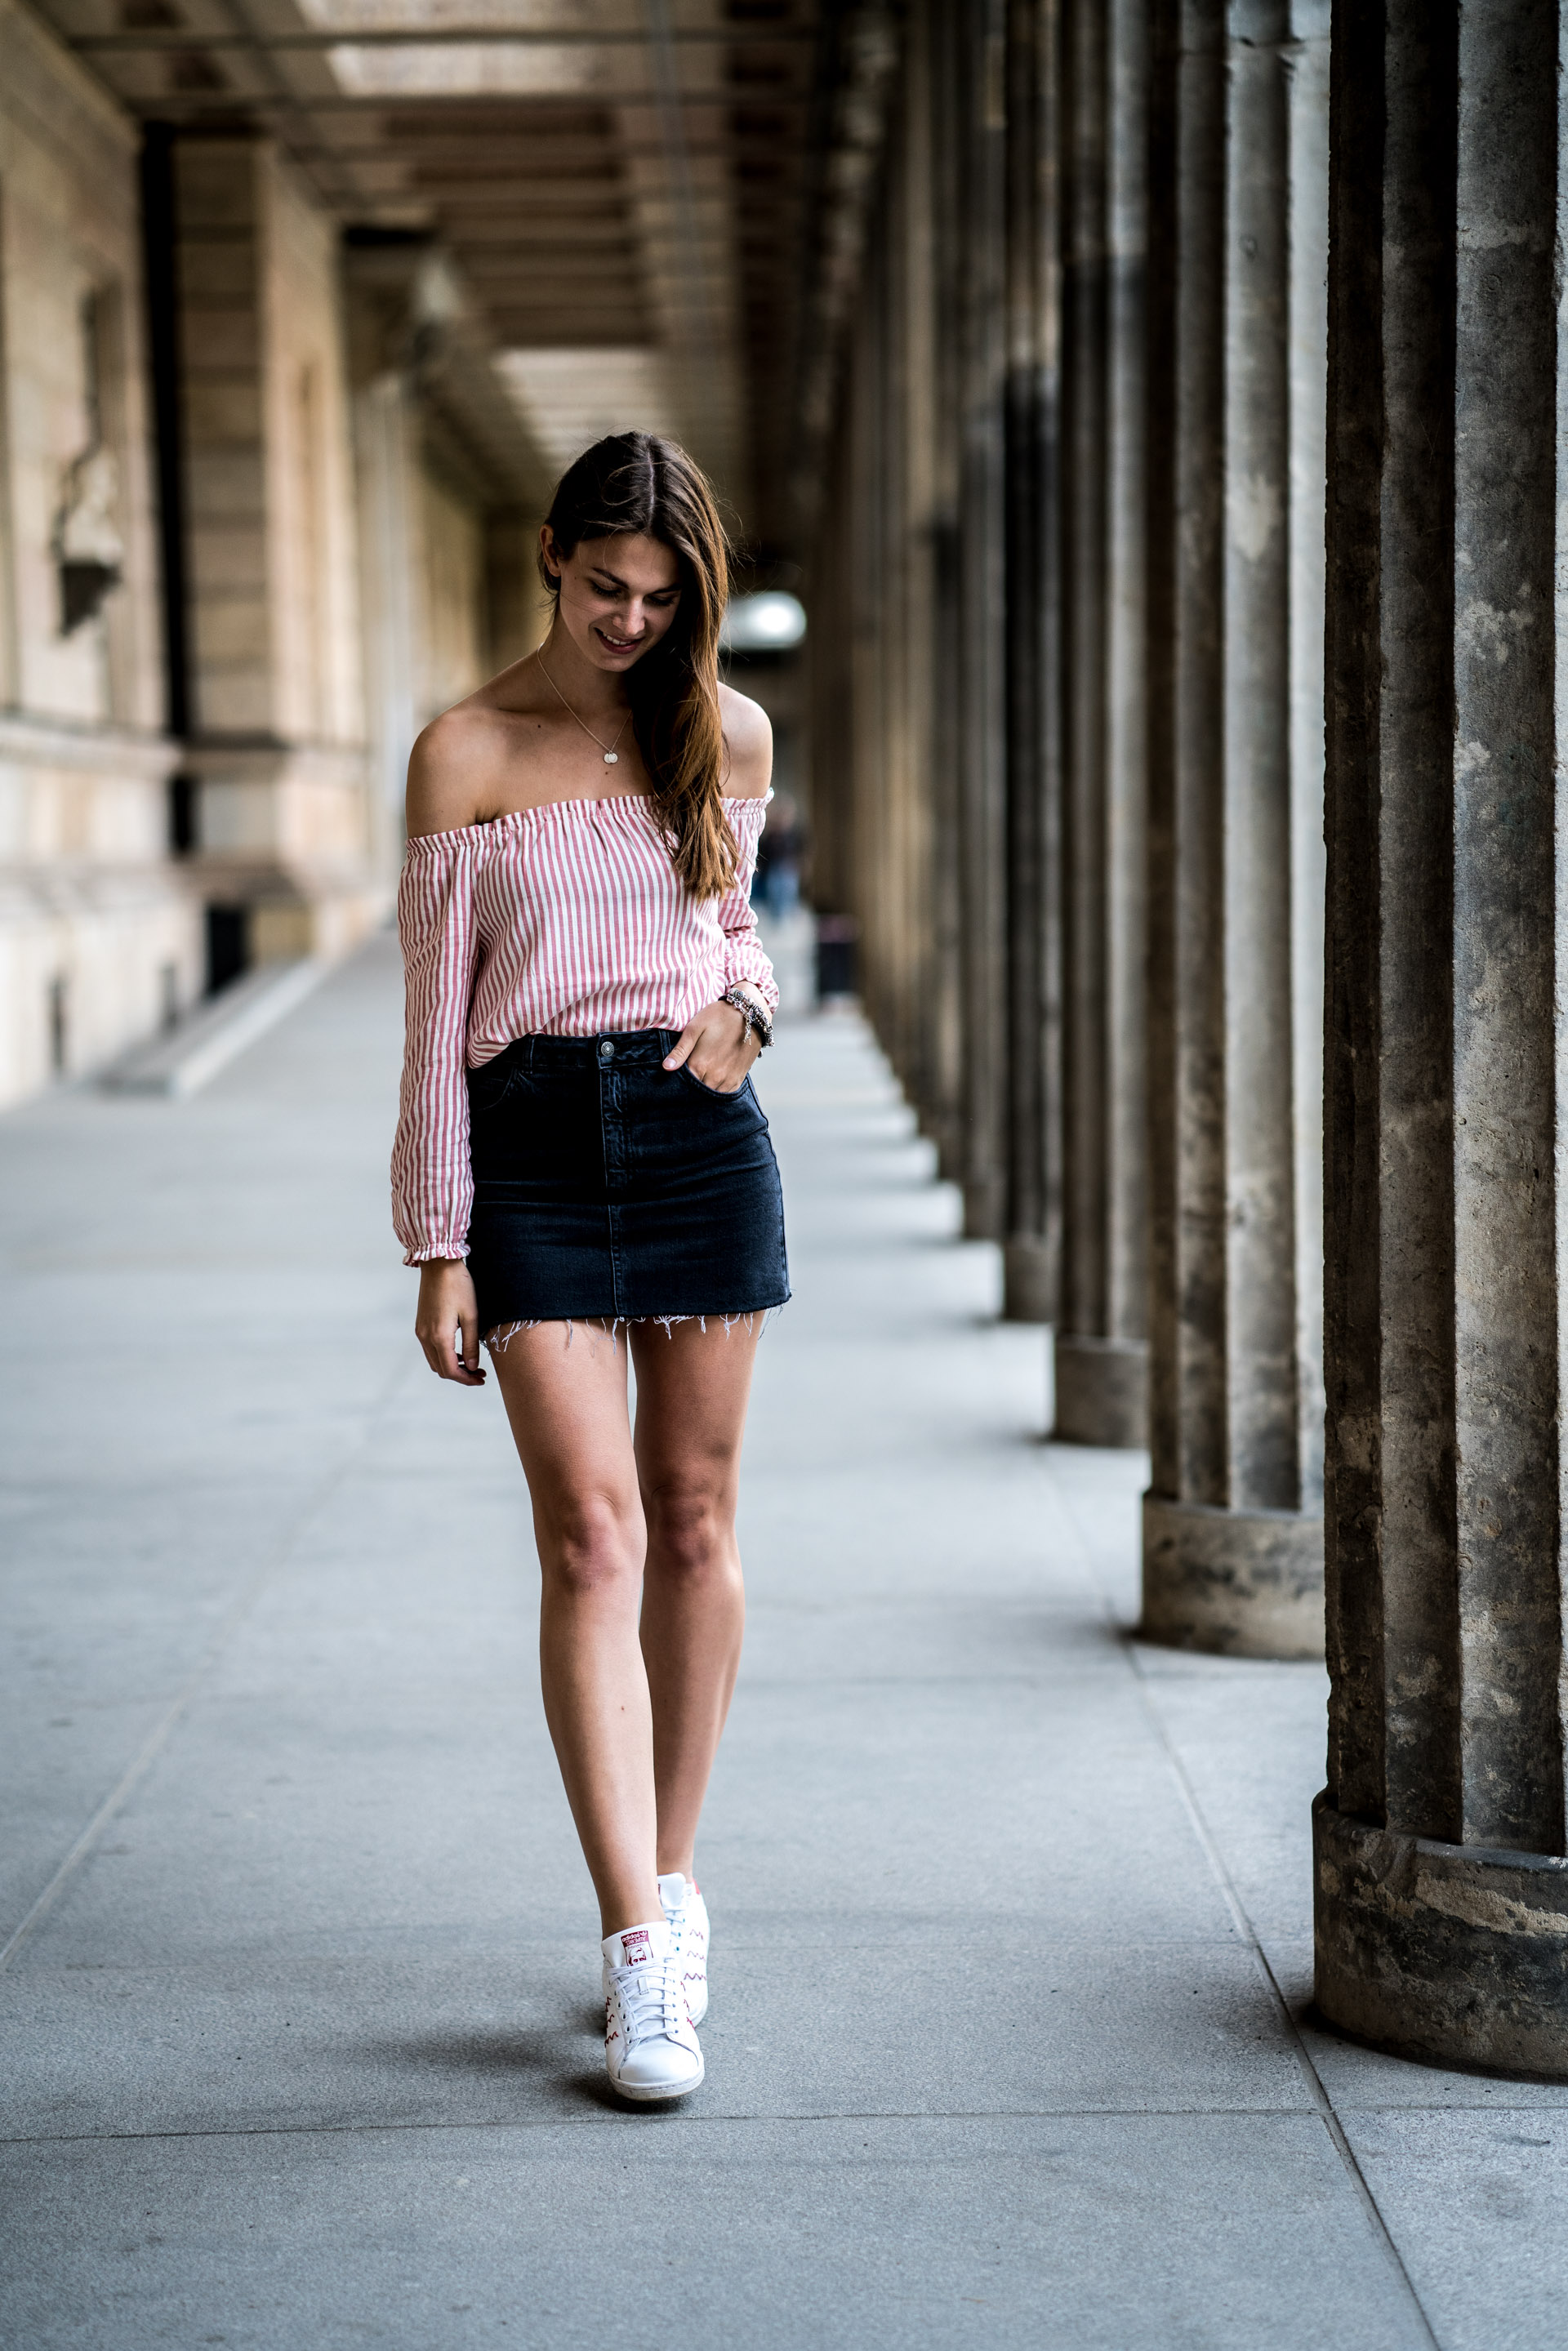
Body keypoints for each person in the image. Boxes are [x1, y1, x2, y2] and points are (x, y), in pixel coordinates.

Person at [390, 433, 786, 2104]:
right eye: (607, 585)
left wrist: (747, 1008)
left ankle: (671, 1878)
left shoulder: (727, 728)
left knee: (694, 1518)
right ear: (551, 555)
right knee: (591, 1529)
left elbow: (740, 930)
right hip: (535, 1146)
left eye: (662, 595)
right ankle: (633, 1946)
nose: (631, 620)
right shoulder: (464, 751)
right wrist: (438, 1239)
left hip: (698, 1136)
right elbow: (427, 1031)